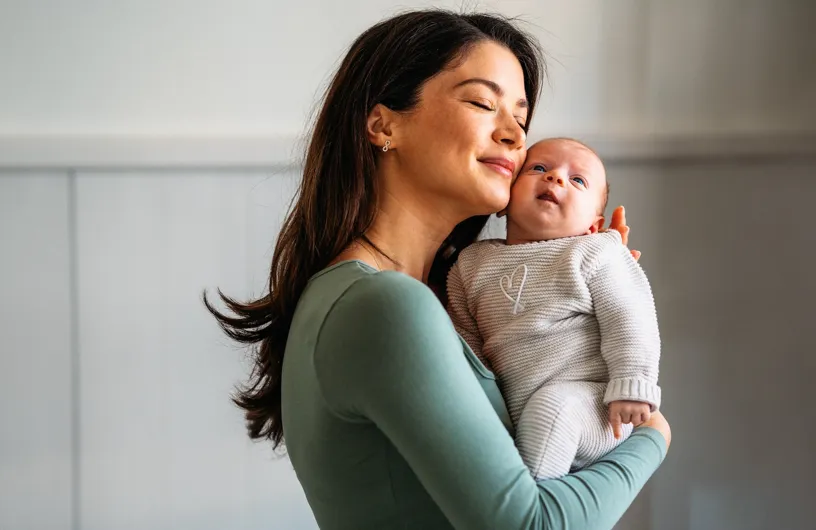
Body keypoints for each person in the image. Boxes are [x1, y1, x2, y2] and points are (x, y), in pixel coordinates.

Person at [204, 9, 671, 529]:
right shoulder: (386, 306)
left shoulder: (396, 297)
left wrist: (567, 301)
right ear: (384, 123)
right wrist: (653, 437)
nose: (515, 138)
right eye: (481, 102)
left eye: (521, 118)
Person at [446, 137, 662, 481]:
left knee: (553, 408)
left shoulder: (596, 252)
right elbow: (466, 339)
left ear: (593, 224)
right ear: (505, 200)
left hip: (594, 405)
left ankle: (527, 511)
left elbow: (630, 317)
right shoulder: (471, 265)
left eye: (577, 180)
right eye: (539, 168)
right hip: (516, 410)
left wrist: (633, 384)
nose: (556, 178)